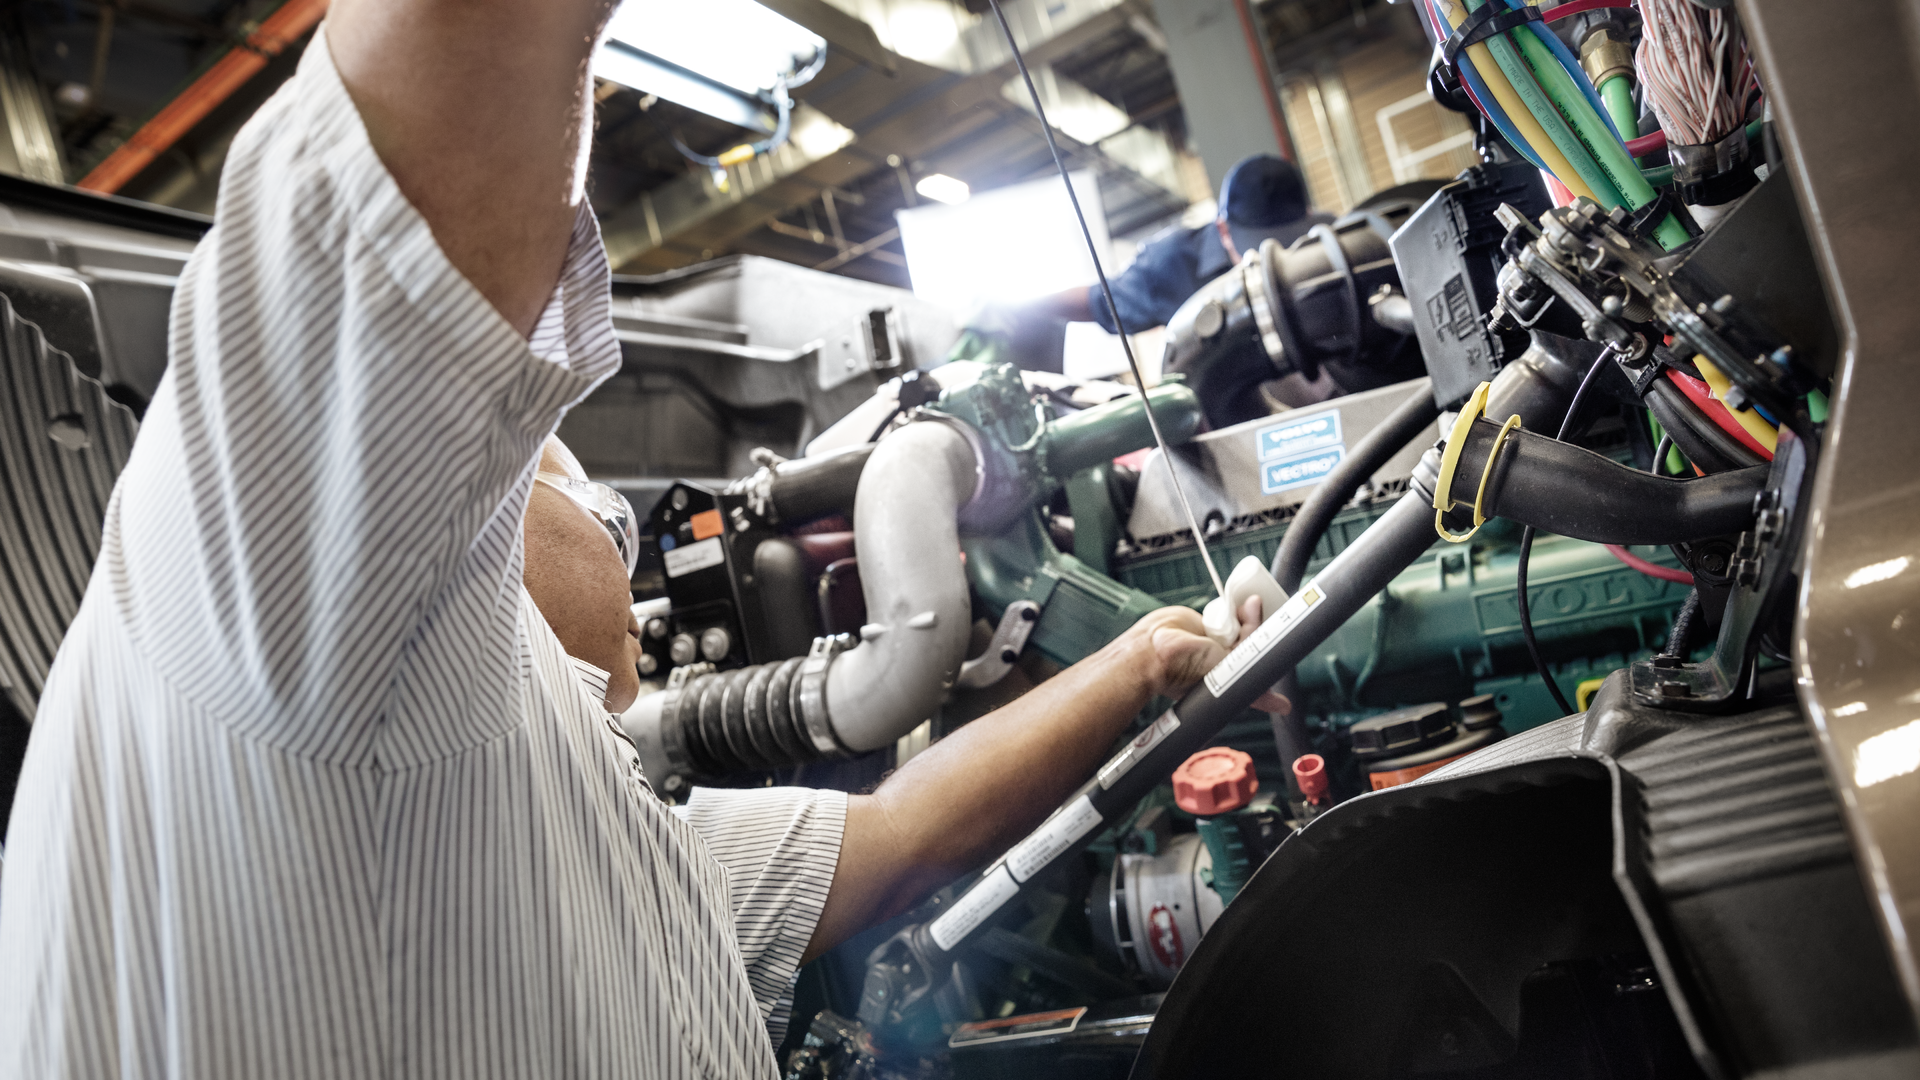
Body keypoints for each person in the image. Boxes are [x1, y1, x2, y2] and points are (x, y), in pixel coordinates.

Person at [0, 4, 1281, 1078]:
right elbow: (428, 120)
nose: (592, 491)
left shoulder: (571, 806)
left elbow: (897, 839)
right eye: (545, 449)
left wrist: (1144, 663)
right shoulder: (282, 623)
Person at [1031, 153, 1334, 336]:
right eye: (1254, 245)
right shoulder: (1171, 263)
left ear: (1307, 218)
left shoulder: (1333, 238)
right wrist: (1021, 308)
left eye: (1284, 241)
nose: (1270, 256)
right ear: (1223, 229)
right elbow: (1101, 302)